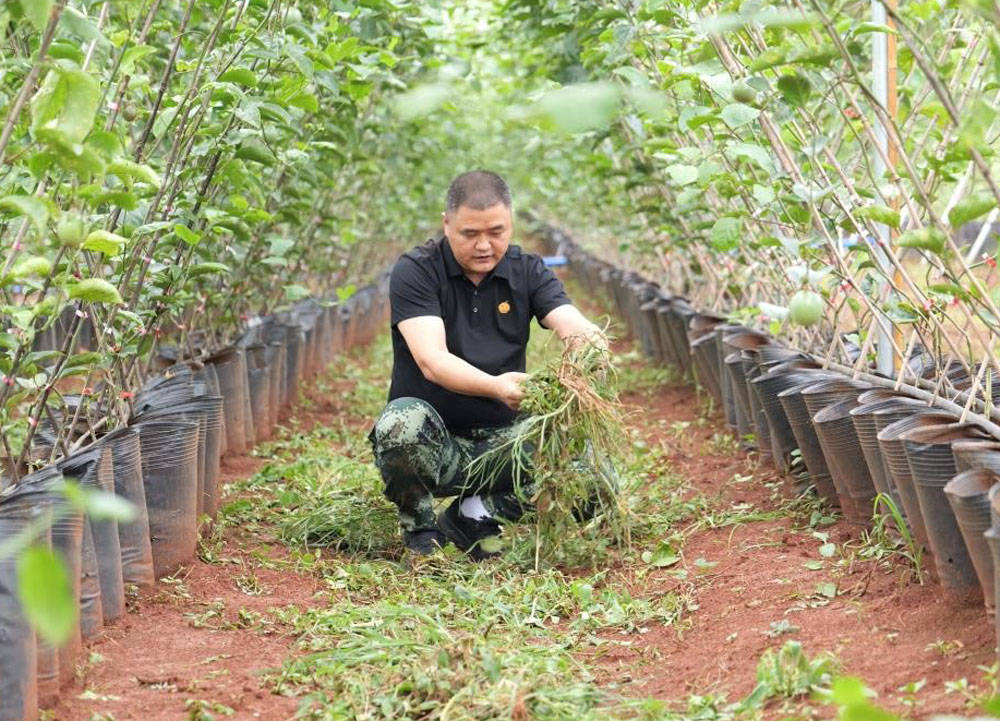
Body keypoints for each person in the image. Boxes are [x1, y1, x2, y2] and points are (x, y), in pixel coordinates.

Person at [368, 170, 604, 559]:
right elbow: (432, 360)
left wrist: (591, 345)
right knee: (400, 424)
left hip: (504, 444)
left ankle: (472, 514)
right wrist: (498, 386)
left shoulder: (526, 269)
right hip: (436, 444)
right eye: (469, 234)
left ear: (511, 222)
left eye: (496, 232)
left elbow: (570, 321)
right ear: (447, 224)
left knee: (594, 480)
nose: (484, 245)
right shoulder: (417, 270)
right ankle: (420, 528)